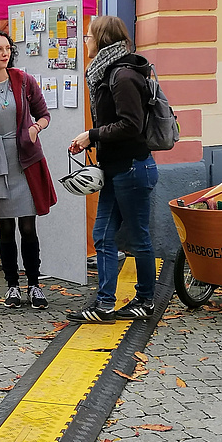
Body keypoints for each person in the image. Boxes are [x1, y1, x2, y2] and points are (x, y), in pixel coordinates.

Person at [68, 16, 159, 323]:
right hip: (116, 168)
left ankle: (146, 300)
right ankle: (105, 303)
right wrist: (92, 141)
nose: (86, 42)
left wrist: (92, 135)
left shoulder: (121, 76)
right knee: (104, 237)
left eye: (89, 36)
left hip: (132, 168)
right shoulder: (107, 72)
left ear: (102, 40)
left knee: (137, 238)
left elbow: (131, 125)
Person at [0, 29, 56, 310]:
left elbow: (44, 114)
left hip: (24, 162)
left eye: (7, 48)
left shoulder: (24, 81)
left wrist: (36, 128)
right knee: (5, 228)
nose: (5, 53)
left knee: (28, 227)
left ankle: (35, 285)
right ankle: (12, 286)